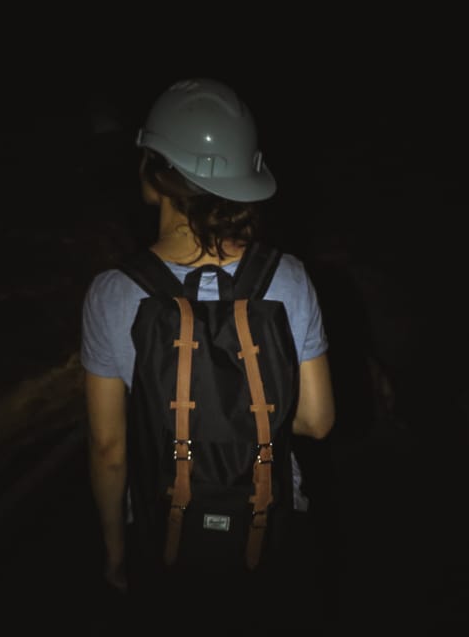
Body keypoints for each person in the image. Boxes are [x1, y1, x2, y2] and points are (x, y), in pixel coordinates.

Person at [81, 78, 336, 633]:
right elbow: (317, 422)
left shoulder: (112, 292)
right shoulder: (288, 277)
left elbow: (108, 447)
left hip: (162, 534)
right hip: (270, 531)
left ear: (154, 170)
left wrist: (115, 553)